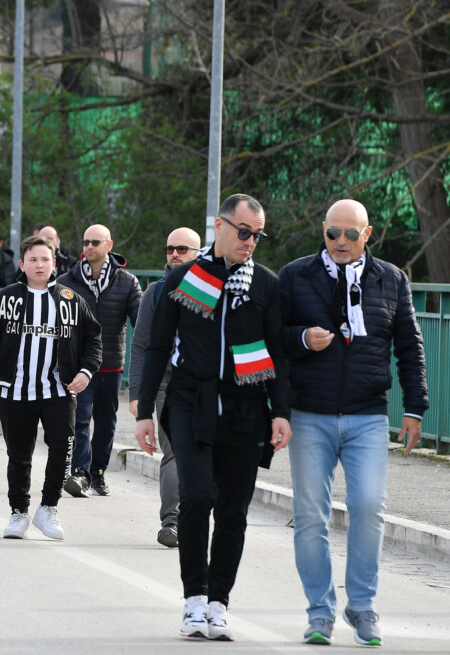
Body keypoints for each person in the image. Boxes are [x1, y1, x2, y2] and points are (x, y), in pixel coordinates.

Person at [134, 193, 292, 641]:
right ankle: (194, 600)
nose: (251, 242)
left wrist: (280, 411)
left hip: (246, 406)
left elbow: (277, 351)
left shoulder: (265, 284)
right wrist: (145, 411)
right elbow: (158, 347)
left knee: (234, 510)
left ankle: (220, 603)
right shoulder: (185, 279)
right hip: (189, 401)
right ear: (219, 227)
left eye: (258, 235)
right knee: (198, 494)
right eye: (244, 232)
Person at [279, 199, 428, 647]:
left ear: (368, 235)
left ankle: (361, 606)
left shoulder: (392, 279)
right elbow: (273, 340)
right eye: (332, 234)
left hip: (367, 415)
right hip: (309, 413)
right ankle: (320, 613)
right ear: (323, 231)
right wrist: (304, 339)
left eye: (350, 234)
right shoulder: (294, 275)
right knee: (309, 517)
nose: (340, 242)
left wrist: (415, 408)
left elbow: (410, 347)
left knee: (368, 507)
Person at [0, 235, 102, 540]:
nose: (39, 264)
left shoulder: (71, 300)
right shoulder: (6, 298)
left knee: (61, 449)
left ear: (54, 263)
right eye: (33, 259)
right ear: (22, 264)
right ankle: (18, 512)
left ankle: (48, 508)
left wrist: (86, 371)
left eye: (45, 259)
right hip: (14, 391)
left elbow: (94, 340)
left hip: (57, 390)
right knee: (19, 455)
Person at [128, 227, 202, 548]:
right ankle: (172, 521)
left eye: (183, 249)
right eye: (170, 248)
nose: (174, 254)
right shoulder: (154, 294)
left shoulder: (216, 288)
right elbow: (140, 345)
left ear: (199, 253)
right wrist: (137, 395)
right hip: (168, 384)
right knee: (173, 453)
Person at [56, 224, 141, 497]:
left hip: (112, 364)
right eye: (85, 242)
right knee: (80, 420)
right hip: (79, 366)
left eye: (95, 242)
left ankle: (98, 473)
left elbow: (141, 321)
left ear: (109, 245)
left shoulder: (127, 282)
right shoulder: (66, 282)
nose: (89, 247)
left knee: (106, 423)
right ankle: (79, 473)